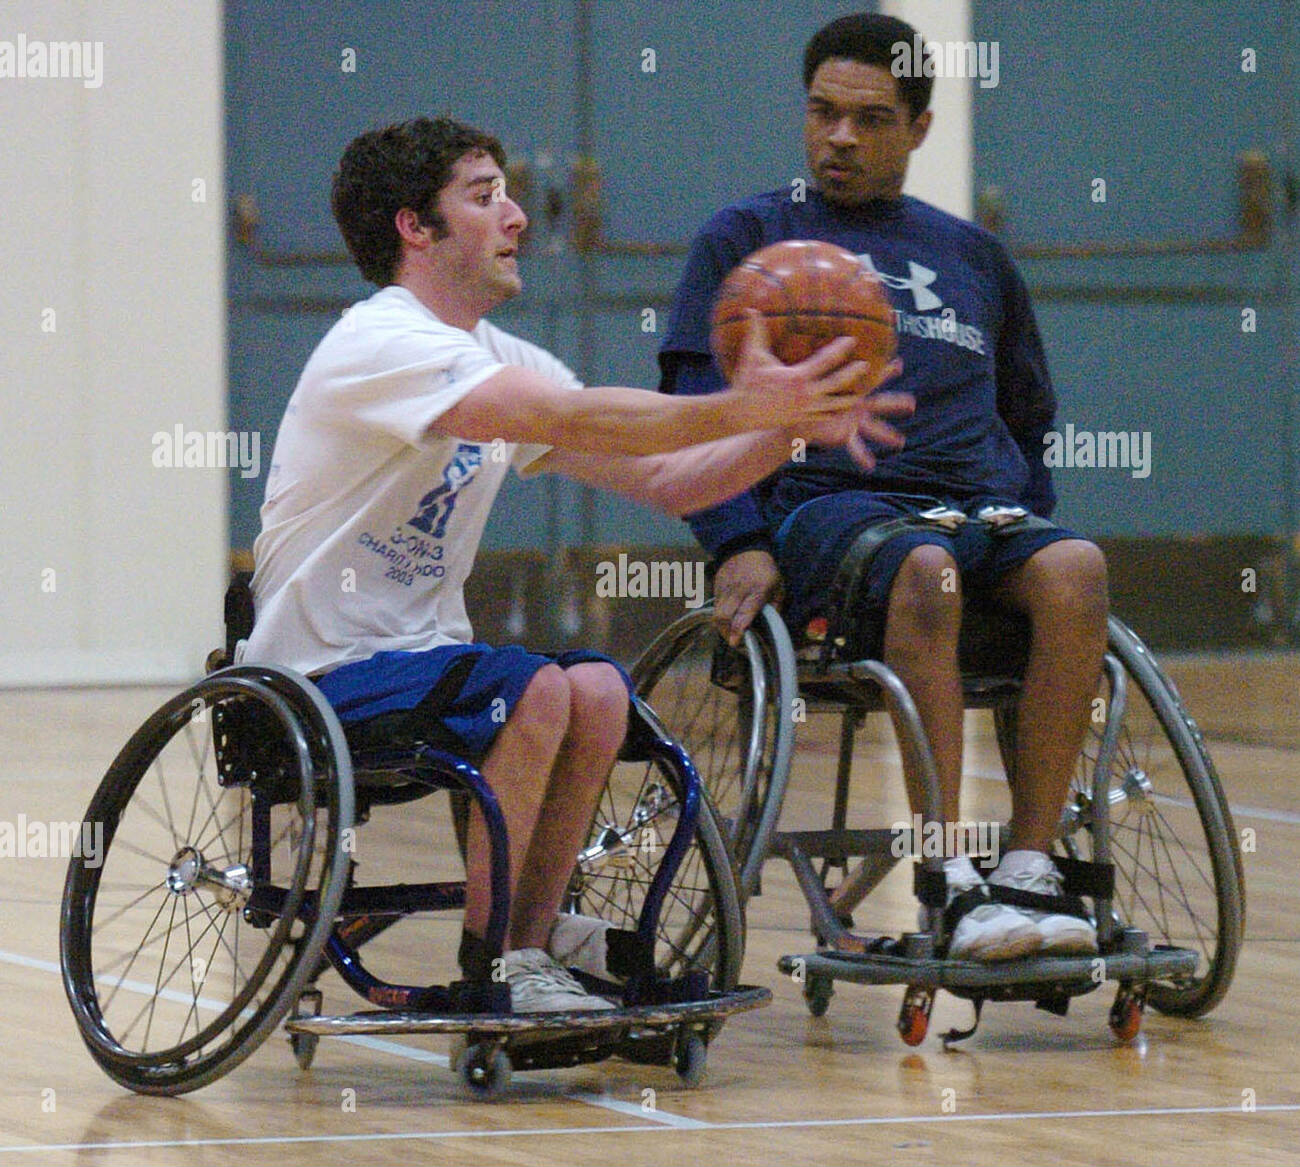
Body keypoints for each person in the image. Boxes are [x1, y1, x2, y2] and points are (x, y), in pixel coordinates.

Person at [242, 116, 908, 1012]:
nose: (518, 215)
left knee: (595, 685)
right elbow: (576, 417)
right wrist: (742, 402)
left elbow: (675, 479)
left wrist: (783, 425)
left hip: (426, 668)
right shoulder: (381, 341)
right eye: (485, 197)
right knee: (535, 688)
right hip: (315, 679)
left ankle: (535, 938)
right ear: (414, 226)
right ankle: (501, 964)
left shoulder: (496, 353)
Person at [659, 13, 1109, 961]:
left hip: (976, 506)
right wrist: (736, 540)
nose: (839, 139)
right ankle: (947, 876)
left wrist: (1023, 526)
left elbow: (1028, 415)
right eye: (822, 113)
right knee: (927, 570)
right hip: (831, 510)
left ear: (919, 129)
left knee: (1074, 570)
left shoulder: (975, 257)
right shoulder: (749, 238)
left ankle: (1027, 867)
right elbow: (690, 407)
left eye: (868, 119)